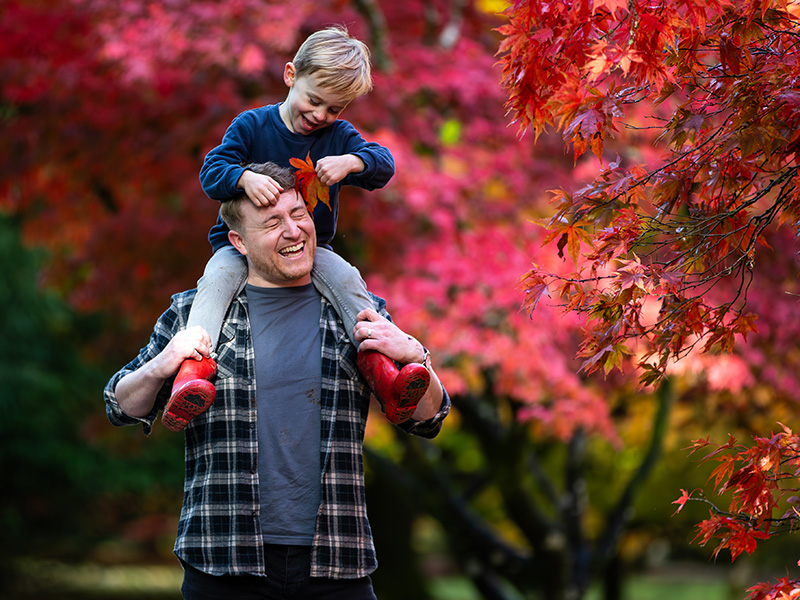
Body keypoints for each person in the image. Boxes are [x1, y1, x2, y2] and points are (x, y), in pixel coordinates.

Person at [104, 162, 450, 599]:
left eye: (299, 214)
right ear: (239, 242)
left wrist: (416, 356)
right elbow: (119, 405)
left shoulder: (357, 312)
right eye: (272, 223)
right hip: (223, 559)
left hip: (337, 559)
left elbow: (429, 418)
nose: (293, 230)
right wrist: (161, 366)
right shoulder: (194, 314)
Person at [164, 26, 416, 433]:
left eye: (334, 109)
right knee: (216, 280)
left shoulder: (337, 138)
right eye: (314, 100)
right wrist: (243, 178)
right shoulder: (252, 125)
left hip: (311, 252)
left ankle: (381, 367)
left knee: (348, 279)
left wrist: (352, 162)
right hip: (241, 248)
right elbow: (211, 172)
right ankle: (193, 370)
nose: (320, 116)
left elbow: (383, 164)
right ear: (290, 75)